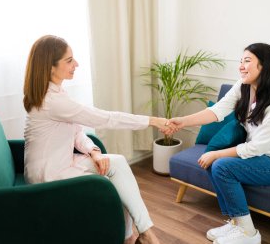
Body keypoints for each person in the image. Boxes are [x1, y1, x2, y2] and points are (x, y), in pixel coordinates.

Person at [23, 35, 170, 244]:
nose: (76, 64)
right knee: (115, 177)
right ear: (50, 67)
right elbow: (106, 118)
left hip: (61, 163)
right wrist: (153, 120)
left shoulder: (56, 93)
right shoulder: (52, 101)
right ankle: (140, 235)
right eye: (69, 60)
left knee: (116, 164)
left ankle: (136, 235)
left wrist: (94, 151)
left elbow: (76, 132)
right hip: (48, 177)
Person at [166, 43, 270, 244]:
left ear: (264, 66)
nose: (241, 66)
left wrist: (216, 154)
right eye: (240, 61)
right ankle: (236, 223)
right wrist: (182, 121)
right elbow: (218, 111)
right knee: (213, 163)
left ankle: (249, 234)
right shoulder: (244, 85)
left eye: (247, 61)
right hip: (261, 156)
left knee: (221, 165)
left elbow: (257, 147)